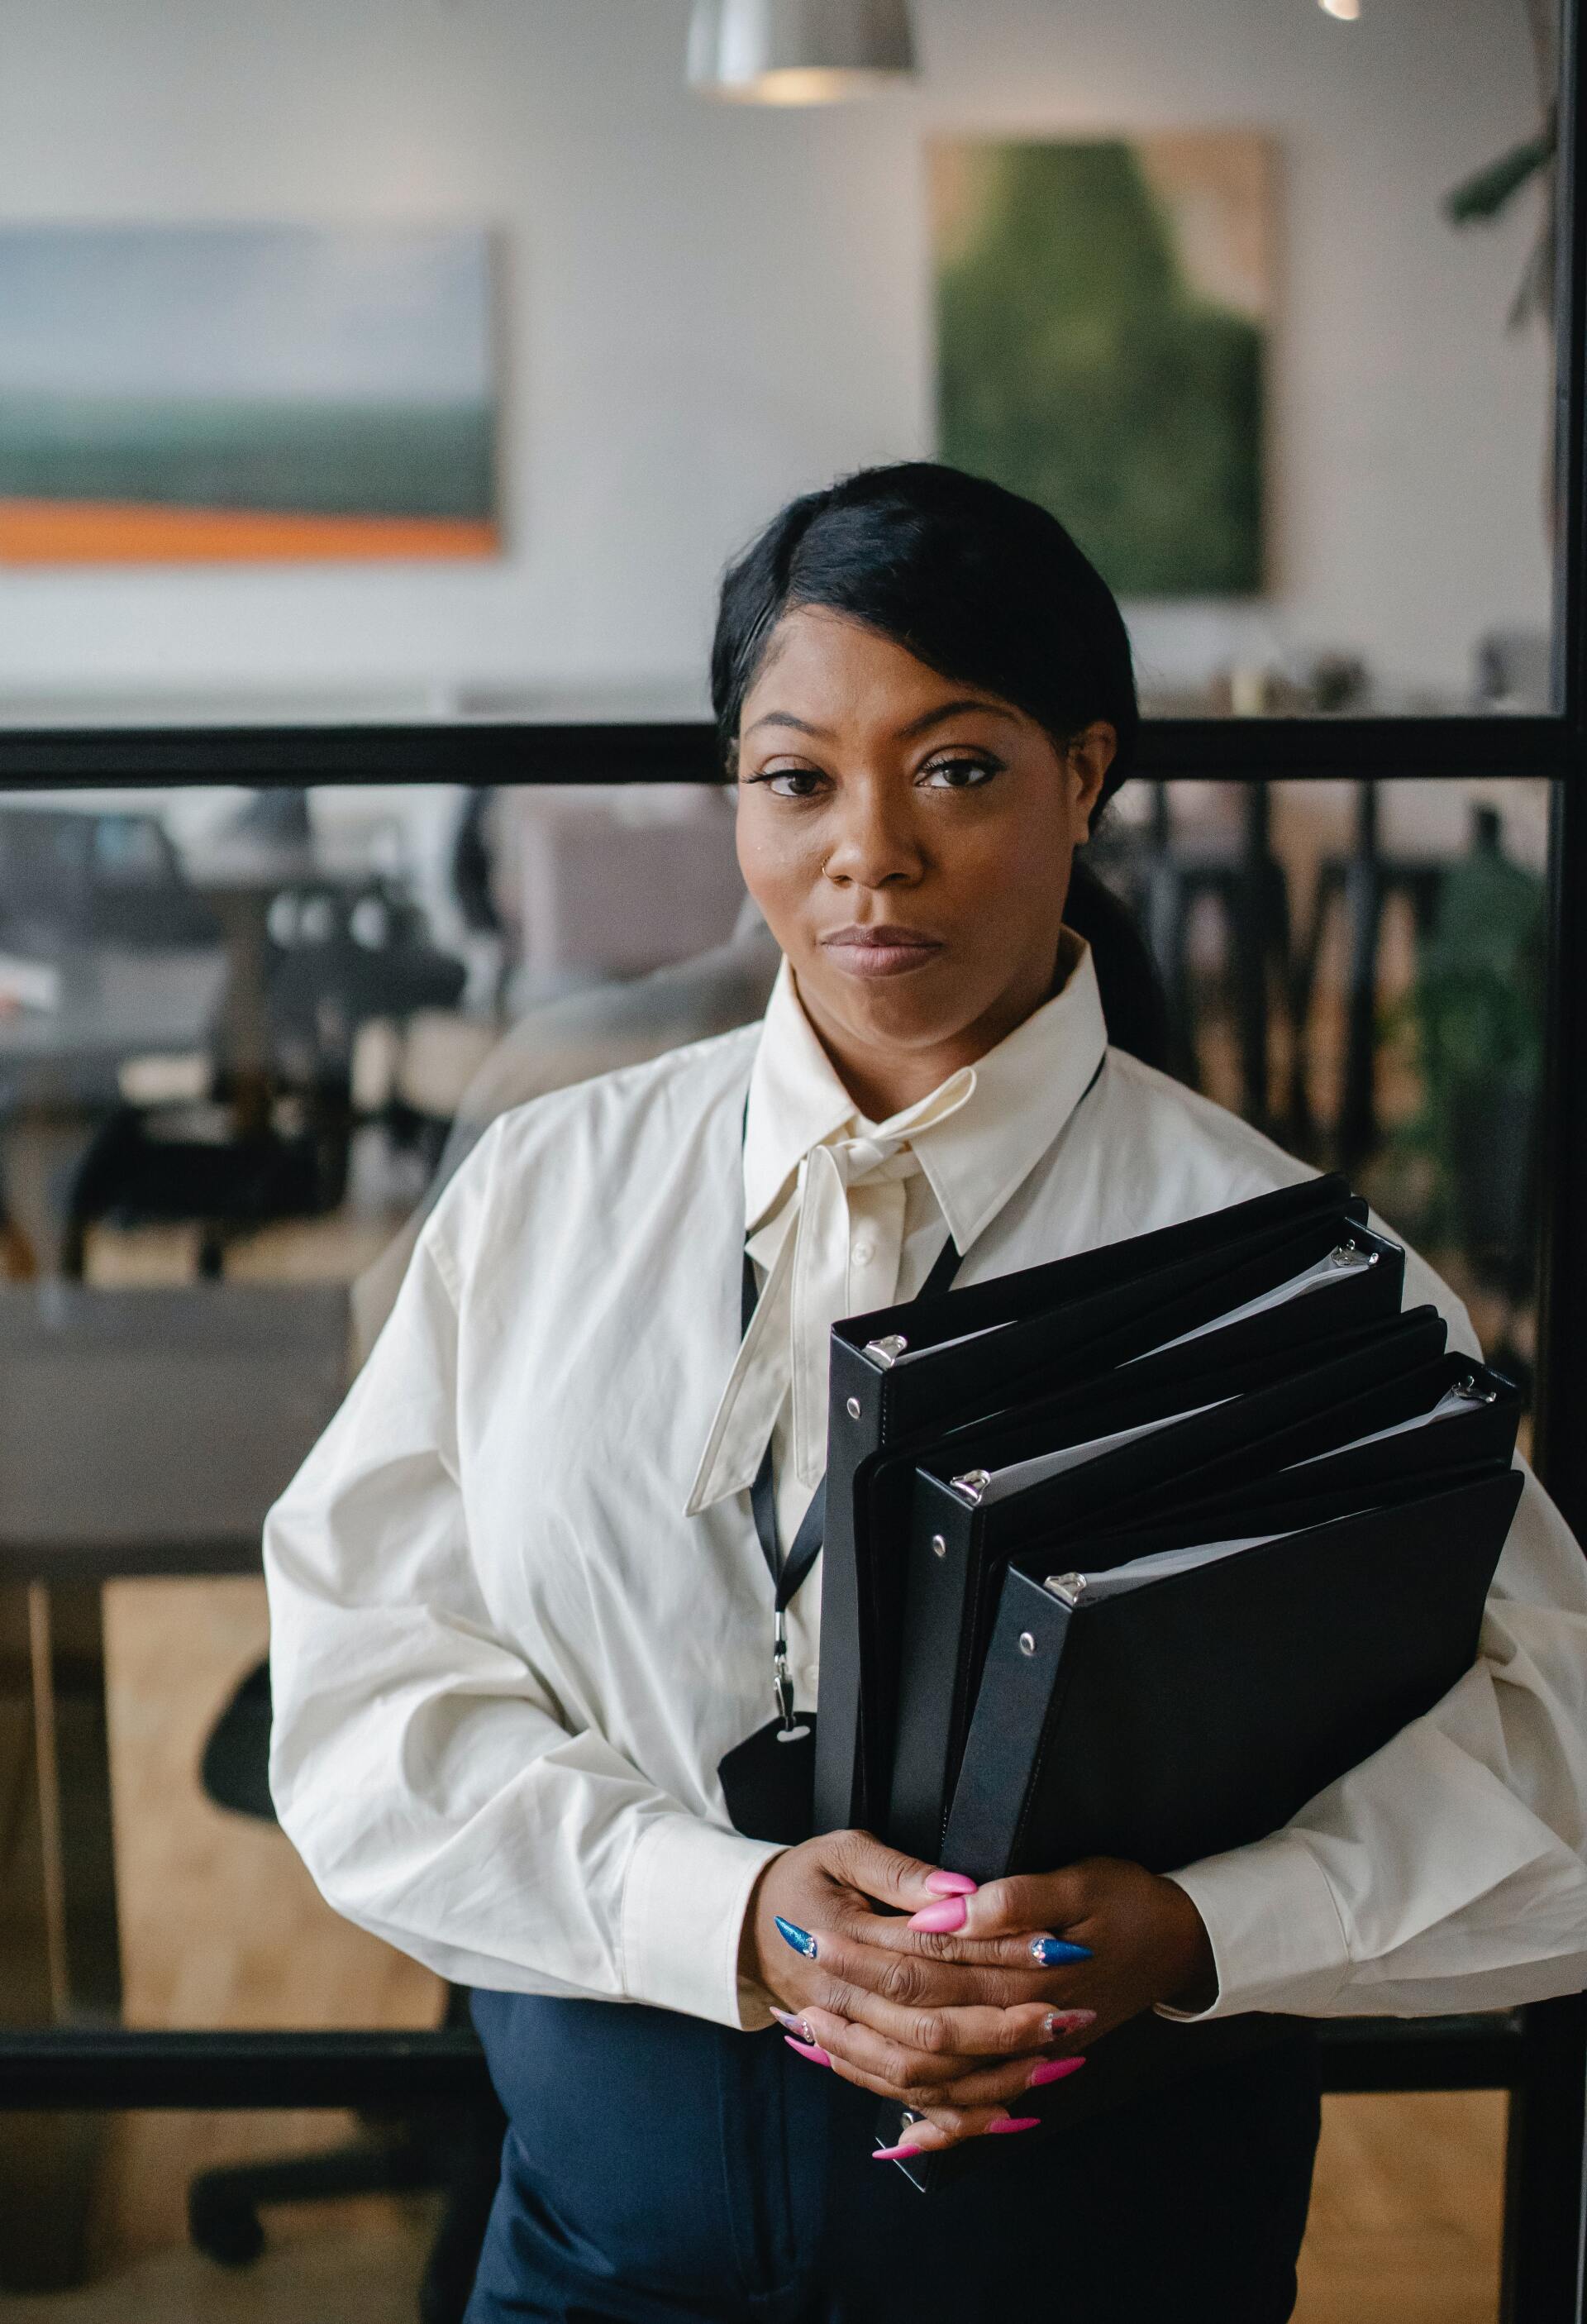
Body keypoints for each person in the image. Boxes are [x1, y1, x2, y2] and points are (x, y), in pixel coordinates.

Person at [264, 464, 1587, 2324]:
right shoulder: (551, 1194)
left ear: (1089, 773)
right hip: (592, 2259)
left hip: (1111, 2265)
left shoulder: (1290, 1260)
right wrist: (723, 1911)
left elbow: (1561, 1759)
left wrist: (1203, 1925)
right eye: (796, 777)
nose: (866, 853)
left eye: (957, 767)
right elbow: (357, 1692)